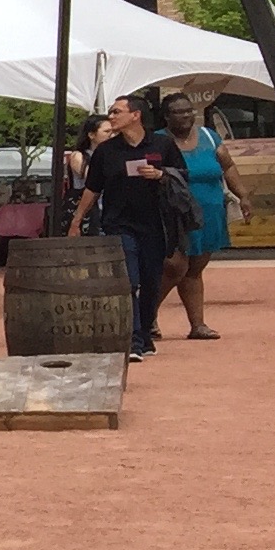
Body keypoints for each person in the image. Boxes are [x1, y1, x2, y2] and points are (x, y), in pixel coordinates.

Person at [66, 93, 187, 361]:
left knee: (151, 281)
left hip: (156, 224)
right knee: (129, 281)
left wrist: (160, 174)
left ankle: (144, 334)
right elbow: (92, 188)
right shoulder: (106, 152)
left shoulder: (162, 144)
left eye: (116, 112)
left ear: (136, 115)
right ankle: (132, 341)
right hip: (119, 224)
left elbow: (182, 175)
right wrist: (77, 221)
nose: (111, 117)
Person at [162, 91, 248, 338]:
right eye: (179, 111)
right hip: (174, 214)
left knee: (194, 269)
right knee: (174, 266)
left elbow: (228, 166)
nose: (187, 115)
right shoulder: (158, 141)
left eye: (189, 110)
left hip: (208, 213)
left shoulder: (210, 137)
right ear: (166, 116)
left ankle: (197, 325)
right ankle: (146, 317)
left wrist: (243, 195)